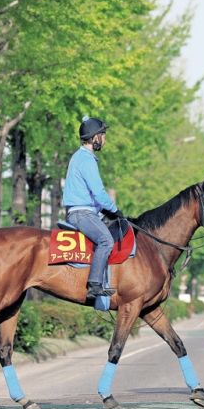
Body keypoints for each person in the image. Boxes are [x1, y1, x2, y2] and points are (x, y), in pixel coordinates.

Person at [63, 116, 123, 299]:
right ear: (95, 137)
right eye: (103, 135)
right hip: (82, 213)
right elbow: (98, 192)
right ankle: (94, 285)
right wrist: (114, 210)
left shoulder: (81, 157)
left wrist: (103, 209)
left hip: (85, 211)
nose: (104, 140)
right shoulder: (86, 159)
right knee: (106, 240)